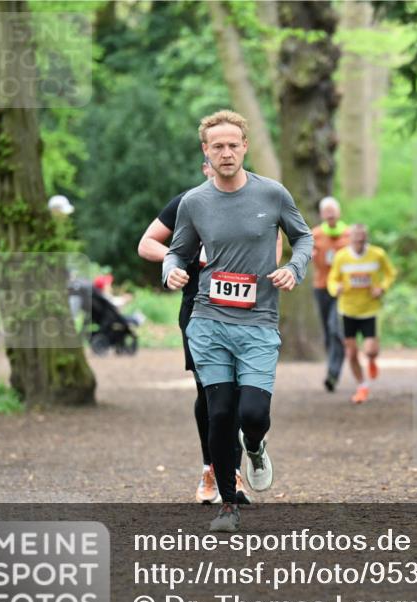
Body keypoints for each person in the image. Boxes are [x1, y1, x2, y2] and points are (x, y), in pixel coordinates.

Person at [163, 109, 313, 532]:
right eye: (217, 146)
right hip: (208, 319)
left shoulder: (273, 195)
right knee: (220, 411)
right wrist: (171, 269)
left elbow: (304, 237)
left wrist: (294, 268)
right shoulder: (194, 202)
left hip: (259, 322)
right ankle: (228, 505)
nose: (226, 153)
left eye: (233, 145)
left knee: (252, 413)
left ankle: (257, 445)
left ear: (244, 147)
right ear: (205, 152)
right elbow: (176, 250)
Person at [140, 160, 282, 505]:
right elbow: (146, 244)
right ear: (206, 166)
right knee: (210, 394)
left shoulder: (258, 201)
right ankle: (210, 468)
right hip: (200, 306)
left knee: (242, 395)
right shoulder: (189, 202)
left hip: (248, 307)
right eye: (214, 161)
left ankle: (233, 471)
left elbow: (274, 243)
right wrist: (177, 259)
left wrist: (267, 271)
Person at [327, 224, 396, 404]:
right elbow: (332, 279)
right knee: (351, 353)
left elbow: (390, 273)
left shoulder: (378, 254)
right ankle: (362, 386)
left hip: (370, 309)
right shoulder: (341, 256)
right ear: (350, 239)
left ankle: (372, 360)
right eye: (356, 239)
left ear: (366, 238)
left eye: (362, 239)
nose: (359, 242)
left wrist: (382, 288)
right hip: (348, 309)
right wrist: (336, 288)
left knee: (371, 350)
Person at [311, 196, 350, 392]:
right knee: (328, 332)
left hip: (343, 290)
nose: (330, 214)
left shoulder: (349, 235)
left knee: (335, 329)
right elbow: (306, 255)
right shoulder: (315, 234)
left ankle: (332, 374)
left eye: (333, 210)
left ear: (339, 212)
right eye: (326, 211)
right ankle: (332, 366)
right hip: (321, 287)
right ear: (321, 215)